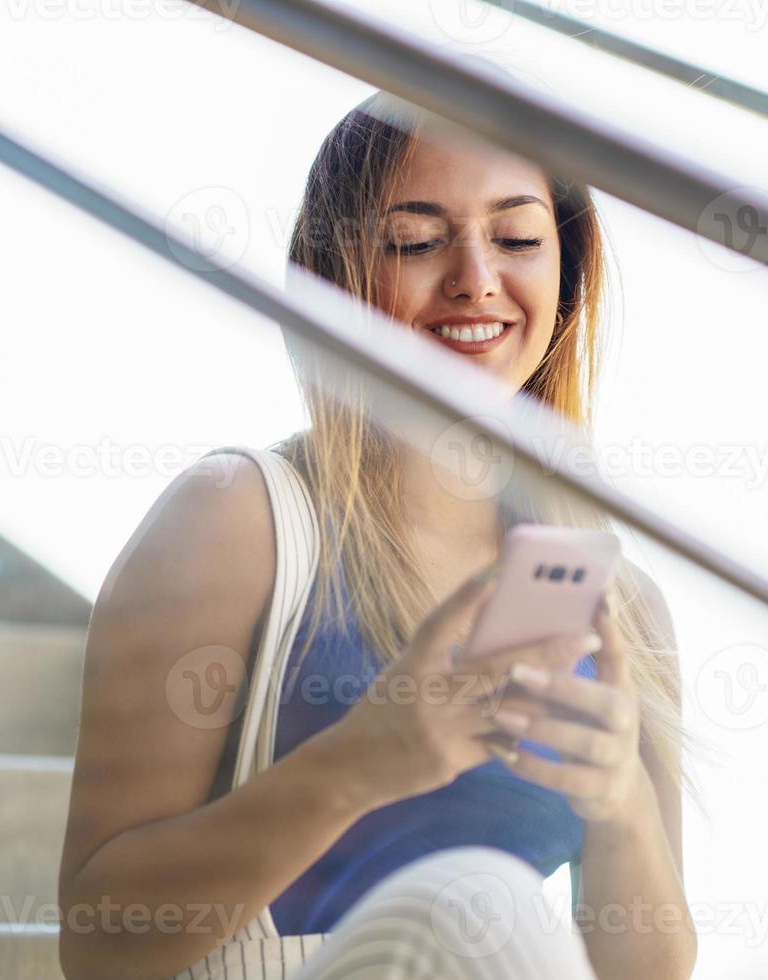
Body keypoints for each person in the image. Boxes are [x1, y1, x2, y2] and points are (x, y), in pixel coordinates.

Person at [57, 83, 699, 980]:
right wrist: (363, 764)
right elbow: (96, 943)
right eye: (417, 240)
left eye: (516, 238)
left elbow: (651, 974)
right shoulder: (236, 522)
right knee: (493, 906)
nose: (477, 277)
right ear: (337, 281)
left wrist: (622, 801)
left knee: (500, 916)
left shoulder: (619, 606)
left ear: (567, 276)